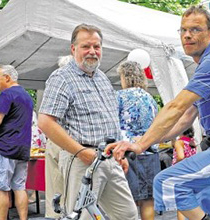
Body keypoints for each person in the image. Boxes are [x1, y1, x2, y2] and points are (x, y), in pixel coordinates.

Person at [107, 5, 210, 220]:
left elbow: (176, 107)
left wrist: (140, 145)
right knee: (205, 201)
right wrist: (145, 142)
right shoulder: (206, 65)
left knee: (168, 181)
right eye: (183, 30)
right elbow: (186, 117)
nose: (187, 35)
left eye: (196, 29)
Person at [38, 24, 138, 219]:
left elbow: (110, 119)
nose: (92, 51)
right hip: (81, 160)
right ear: (73, 49)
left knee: (128, 214)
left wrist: (121, 154)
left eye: (97, 46)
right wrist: (81, 152)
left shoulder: (102, 78)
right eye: (86, 46)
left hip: (109, 158)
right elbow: (45, 122)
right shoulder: (62, 78)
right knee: (81, 216)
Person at [0, 65, 33, 220]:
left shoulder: (7, 94)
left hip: (5, 148)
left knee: (0, 188)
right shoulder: (26, 95)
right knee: (19, 187)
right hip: (22, 148)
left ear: (7, 78)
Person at [116, 60, 160, 220]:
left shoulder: (119, 96)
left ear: (125, 77)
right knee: (148, 198)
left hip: (127, 153)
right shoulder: (150, 99)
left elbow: (113, 124)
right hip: (150, 151)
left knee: (128, 199)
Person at [43, 55, 72, 219]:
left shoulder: (54, 82)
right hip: (71, 139)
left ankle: (56, 215)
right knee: (72, 185)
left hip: (56, 138)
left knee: (55, 184)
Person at [172, 127, 198, 220]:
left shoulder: (179, 142)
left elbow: (181, 156)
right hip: (192, 172)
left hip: (181, 173)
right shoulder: (192, 142)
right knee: (190, 201)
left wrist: (175, 164)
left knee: (181, 204)